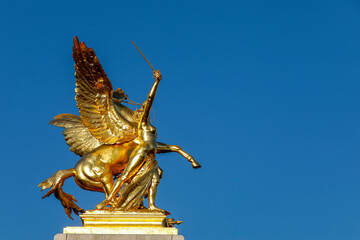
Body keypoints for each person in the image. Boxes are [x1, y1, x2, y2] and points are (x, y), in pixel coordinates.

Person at [96, 70, 162, 210]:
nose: (144, 110)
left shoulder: (150, 126)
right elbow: (150, 100)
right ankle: (107, 201)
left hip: (151, 157)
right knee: (125, 176)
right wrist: (156, 82)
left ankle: (151, 205)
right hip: (142, 151)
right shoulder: (142, 124)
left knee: (155, 179)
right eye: (143, 110)